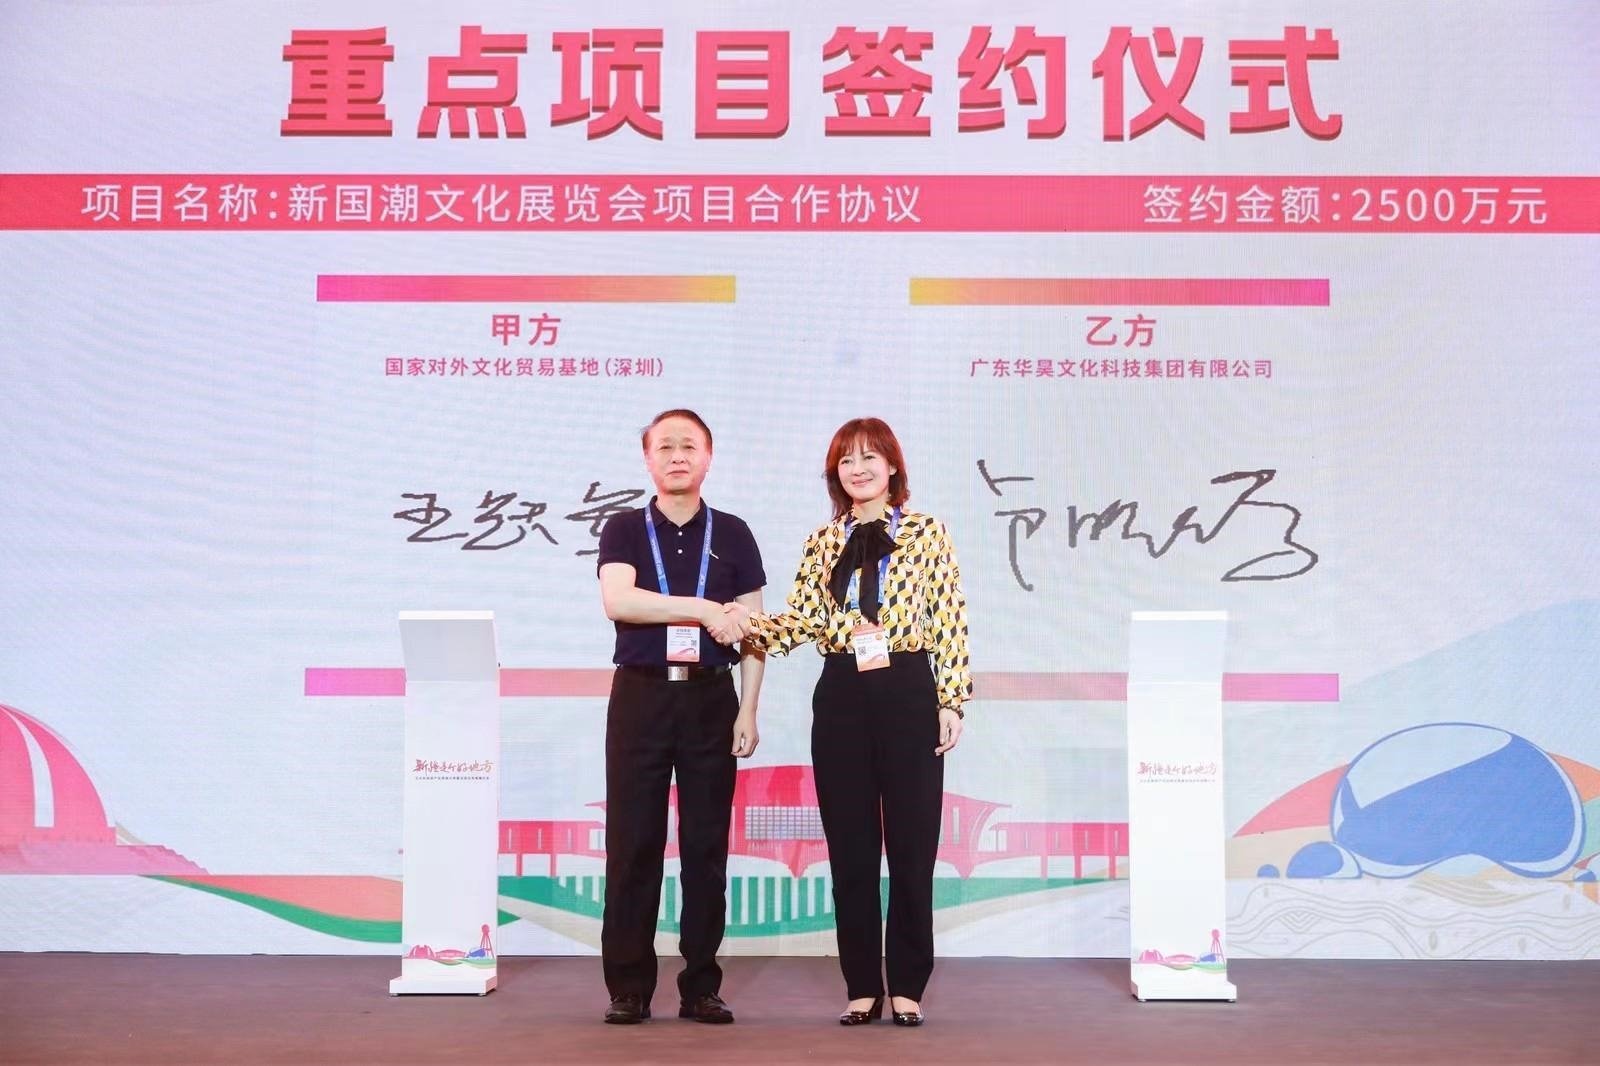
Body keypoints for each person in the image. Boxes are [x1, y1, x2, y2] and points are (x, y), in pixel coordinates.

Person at [733, 417, 971, 1027]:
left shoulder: (926, 532)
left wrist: (951, 700)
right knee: (850, 848)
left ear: (892, 467)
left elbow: (948, 617)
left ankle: (909, 985)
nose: (858, 469)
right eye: (846, 460)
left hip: (908, 687)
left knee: (913, 846)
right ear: (834, 474)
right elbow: (803, 620)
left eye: (869, 457)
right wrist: (738, 622)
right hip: (841, 692)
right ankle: (862, 985)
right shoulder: (822, 541)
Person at [594, 409, 766, 1025]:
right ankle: (629, 987)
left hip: (710, 700)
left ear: (708, 457)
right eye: (664, 446)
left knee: (705, 846)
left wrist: (748, 708)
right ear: (647, 459)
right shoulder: (623, 528)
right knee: (632, 843)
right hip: (640, 697)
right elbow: (619, 601)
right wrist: (703, 608)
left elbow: (753, 629)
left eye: (688, 446)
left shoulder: (734, 532)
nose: (676, 456)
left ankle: (701, 986)